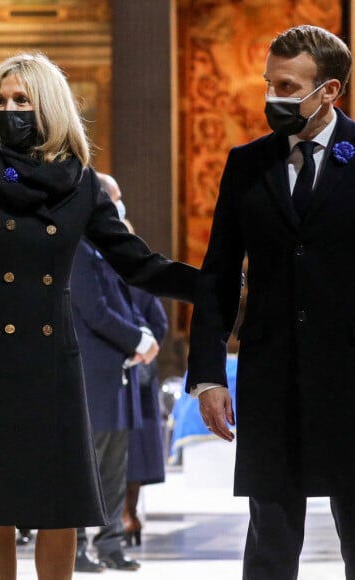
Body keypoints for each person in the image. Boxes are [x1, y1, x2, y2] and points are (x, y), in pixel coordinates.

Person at [0, 52, 198, 580]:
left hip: (53, 362)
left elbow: (137, 263)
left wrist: (214, 286)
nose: (9, 110)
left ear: (48, 107)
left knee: (59, 508)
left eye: (22, 99)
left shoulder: (81, 183)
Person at [186, 25, 355, 579]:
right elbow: (217, 276)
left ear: (328, 91)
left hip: (350, 383)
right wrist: (208, 375)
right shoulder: (246, 164)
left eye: (287, 86)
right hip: (272, 378)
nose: (272, 98)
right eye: (268, 85)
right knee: (270, 543)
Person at [70, 173, 157, 572]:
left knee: (113, 469)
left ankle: (110, 545)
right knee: (85, 466)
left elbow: (128, 301)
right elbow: (96, 311)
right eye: (116, 198)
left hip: (118, 372)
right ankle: (74, 547)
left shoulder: (109, 249)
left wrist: (142, 334)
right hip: (92, 373)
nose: (121, 206)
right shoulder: (78, 249)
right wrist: (135, 341)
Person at [123, 266, 169, 548]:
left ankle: (121, 518)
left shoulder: (97, 274)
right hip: (140, 372)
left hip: (117, 374)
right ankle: (130, 515)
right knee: (135, 453)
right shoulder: (141, 281)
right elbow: (160, 325)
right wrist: (144, 350)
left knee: (114, 453)